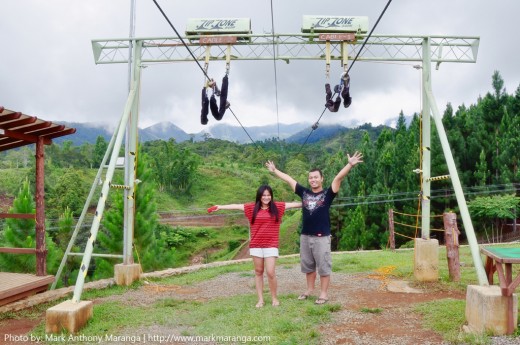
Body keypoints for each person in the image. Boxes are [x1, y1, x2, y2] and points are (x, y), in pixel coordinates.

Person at [265, 151, 363, 305]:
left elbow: (338, 178)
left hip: (321, 236)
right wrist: (274, 170)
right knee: (308, 266)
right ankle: (309, 290)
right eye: (311, 177)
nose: (313, 180)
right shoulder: (304, 192)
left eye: (316, 177)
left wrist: (349, 165)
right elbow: (289, 180)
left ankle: (323, 294)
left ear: (322, 178)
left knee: (323, 266)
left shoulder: (328, 193)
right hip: (305, 236)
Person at [208, 185, 301, 308]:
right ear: (259, 196)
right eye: (264, 195)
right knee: (258, 272)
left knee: (271, 272)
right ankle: (260, 300)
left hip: (271, 245)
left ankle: (274, 298)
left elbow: (296, 204)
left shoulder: (278, 207)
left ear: (271, 196)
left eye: (268, 195)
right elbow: (236, 206)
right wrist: (220, 207)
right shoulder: (251, 208)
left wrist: (311, 200)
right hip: (256, 245)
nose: (266, 197)